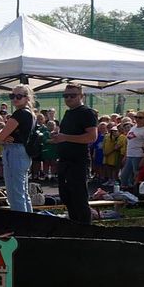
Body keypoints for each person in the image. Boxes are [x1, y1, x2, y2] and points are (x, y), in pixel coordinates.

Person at [54, 85, 99, 223]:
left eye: (72, 95)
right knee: (66, 196)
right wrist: (58, 137)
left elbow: (92, 137)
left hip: (78, 161)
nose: (68, 98)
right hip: (64, 160)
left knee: (79, 198)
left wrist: (65, 137)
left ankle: (85, 229)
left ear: (81, 96)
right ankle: (75, 226)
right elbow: (67, 135)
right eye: (66, 95)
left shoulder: (87, 112)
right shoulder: (69, 113)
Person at [0, 86, 36, 212]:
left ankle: (21, 225)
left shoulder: (20, 113)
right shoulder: (31, 114)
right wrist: (3, 137)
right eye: (12, 96)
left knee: (14, 194)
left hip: (15, 152)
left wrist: (2, 137)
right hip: (23, 152)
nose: (15, 99)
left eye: (19, 96)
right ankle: (29, 224)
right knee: (22, 192)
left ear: (27, 98)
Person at [121, 110, 144, 189]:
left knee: (137, 176)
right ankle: (126, 192)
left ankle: (137, 194)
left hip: (138, 156)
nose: (137, 119)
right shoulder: (134, 127)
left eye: (140, 117)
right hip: (130, 155)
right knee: (124, 176)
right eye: (136, 117)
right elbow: (130, 142)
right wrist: (126, 155)